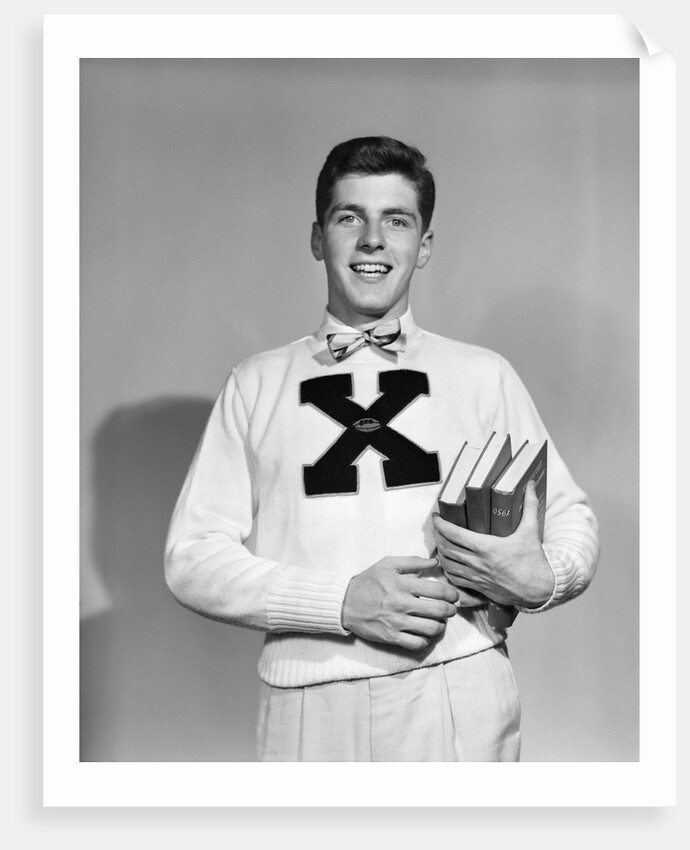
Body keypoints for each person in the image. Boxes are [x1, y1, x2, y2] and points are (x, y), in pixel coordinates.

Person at [164, 136, 599, 762]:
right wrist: (340, 602)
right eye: (350, 217)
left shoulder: (483, 374)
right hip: (308, 701)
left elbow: (569, 518)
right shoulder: (255, 383)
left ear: (422, 246)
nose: (373, 240)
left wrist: (542, 578)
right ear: (318, 238)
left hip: (461, 683)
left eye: (396, 220)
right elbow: (192, 558)